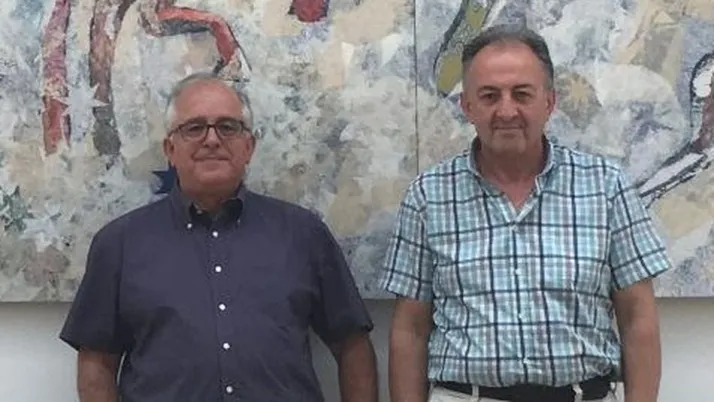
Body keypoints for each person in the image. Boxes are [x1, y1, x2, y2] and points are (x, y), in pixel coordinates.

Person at [380, 24, 671, 402]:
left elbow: (637, 317)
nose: (506, 111)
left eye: (522, 94)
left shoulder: (606, 187)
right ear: (467, 106)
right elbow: (410, 329)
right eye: (489, 96)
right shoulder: (428, 196)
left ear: (549, 102)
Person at [59, 72, 379, 402]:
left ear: (249, 146)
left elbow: (352, 346)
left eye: (228, 127)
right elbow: (97, 364)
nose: (212, 140)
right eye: (194, 128)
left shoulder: (304, 234)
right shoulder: (119, 244)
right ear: (170, 148)